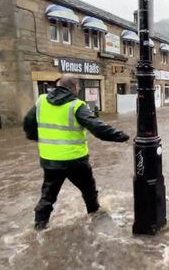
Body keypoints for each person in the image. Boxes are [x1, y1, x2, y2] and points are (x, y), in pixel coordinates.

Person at [23, 75, 129, 230]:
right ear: (73, 87)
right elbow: (97, 127)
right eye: (78, 87)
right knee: (89, 191)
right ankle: (95, 218)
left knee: (48, 196)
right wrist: (121, 136)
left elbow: (28, 123)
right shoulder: (76, 105)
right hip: (75, 161)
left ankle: (39, 227)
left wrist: (35, 137)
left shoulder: (42, 102)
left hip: (50, 160)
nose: (78, 90)